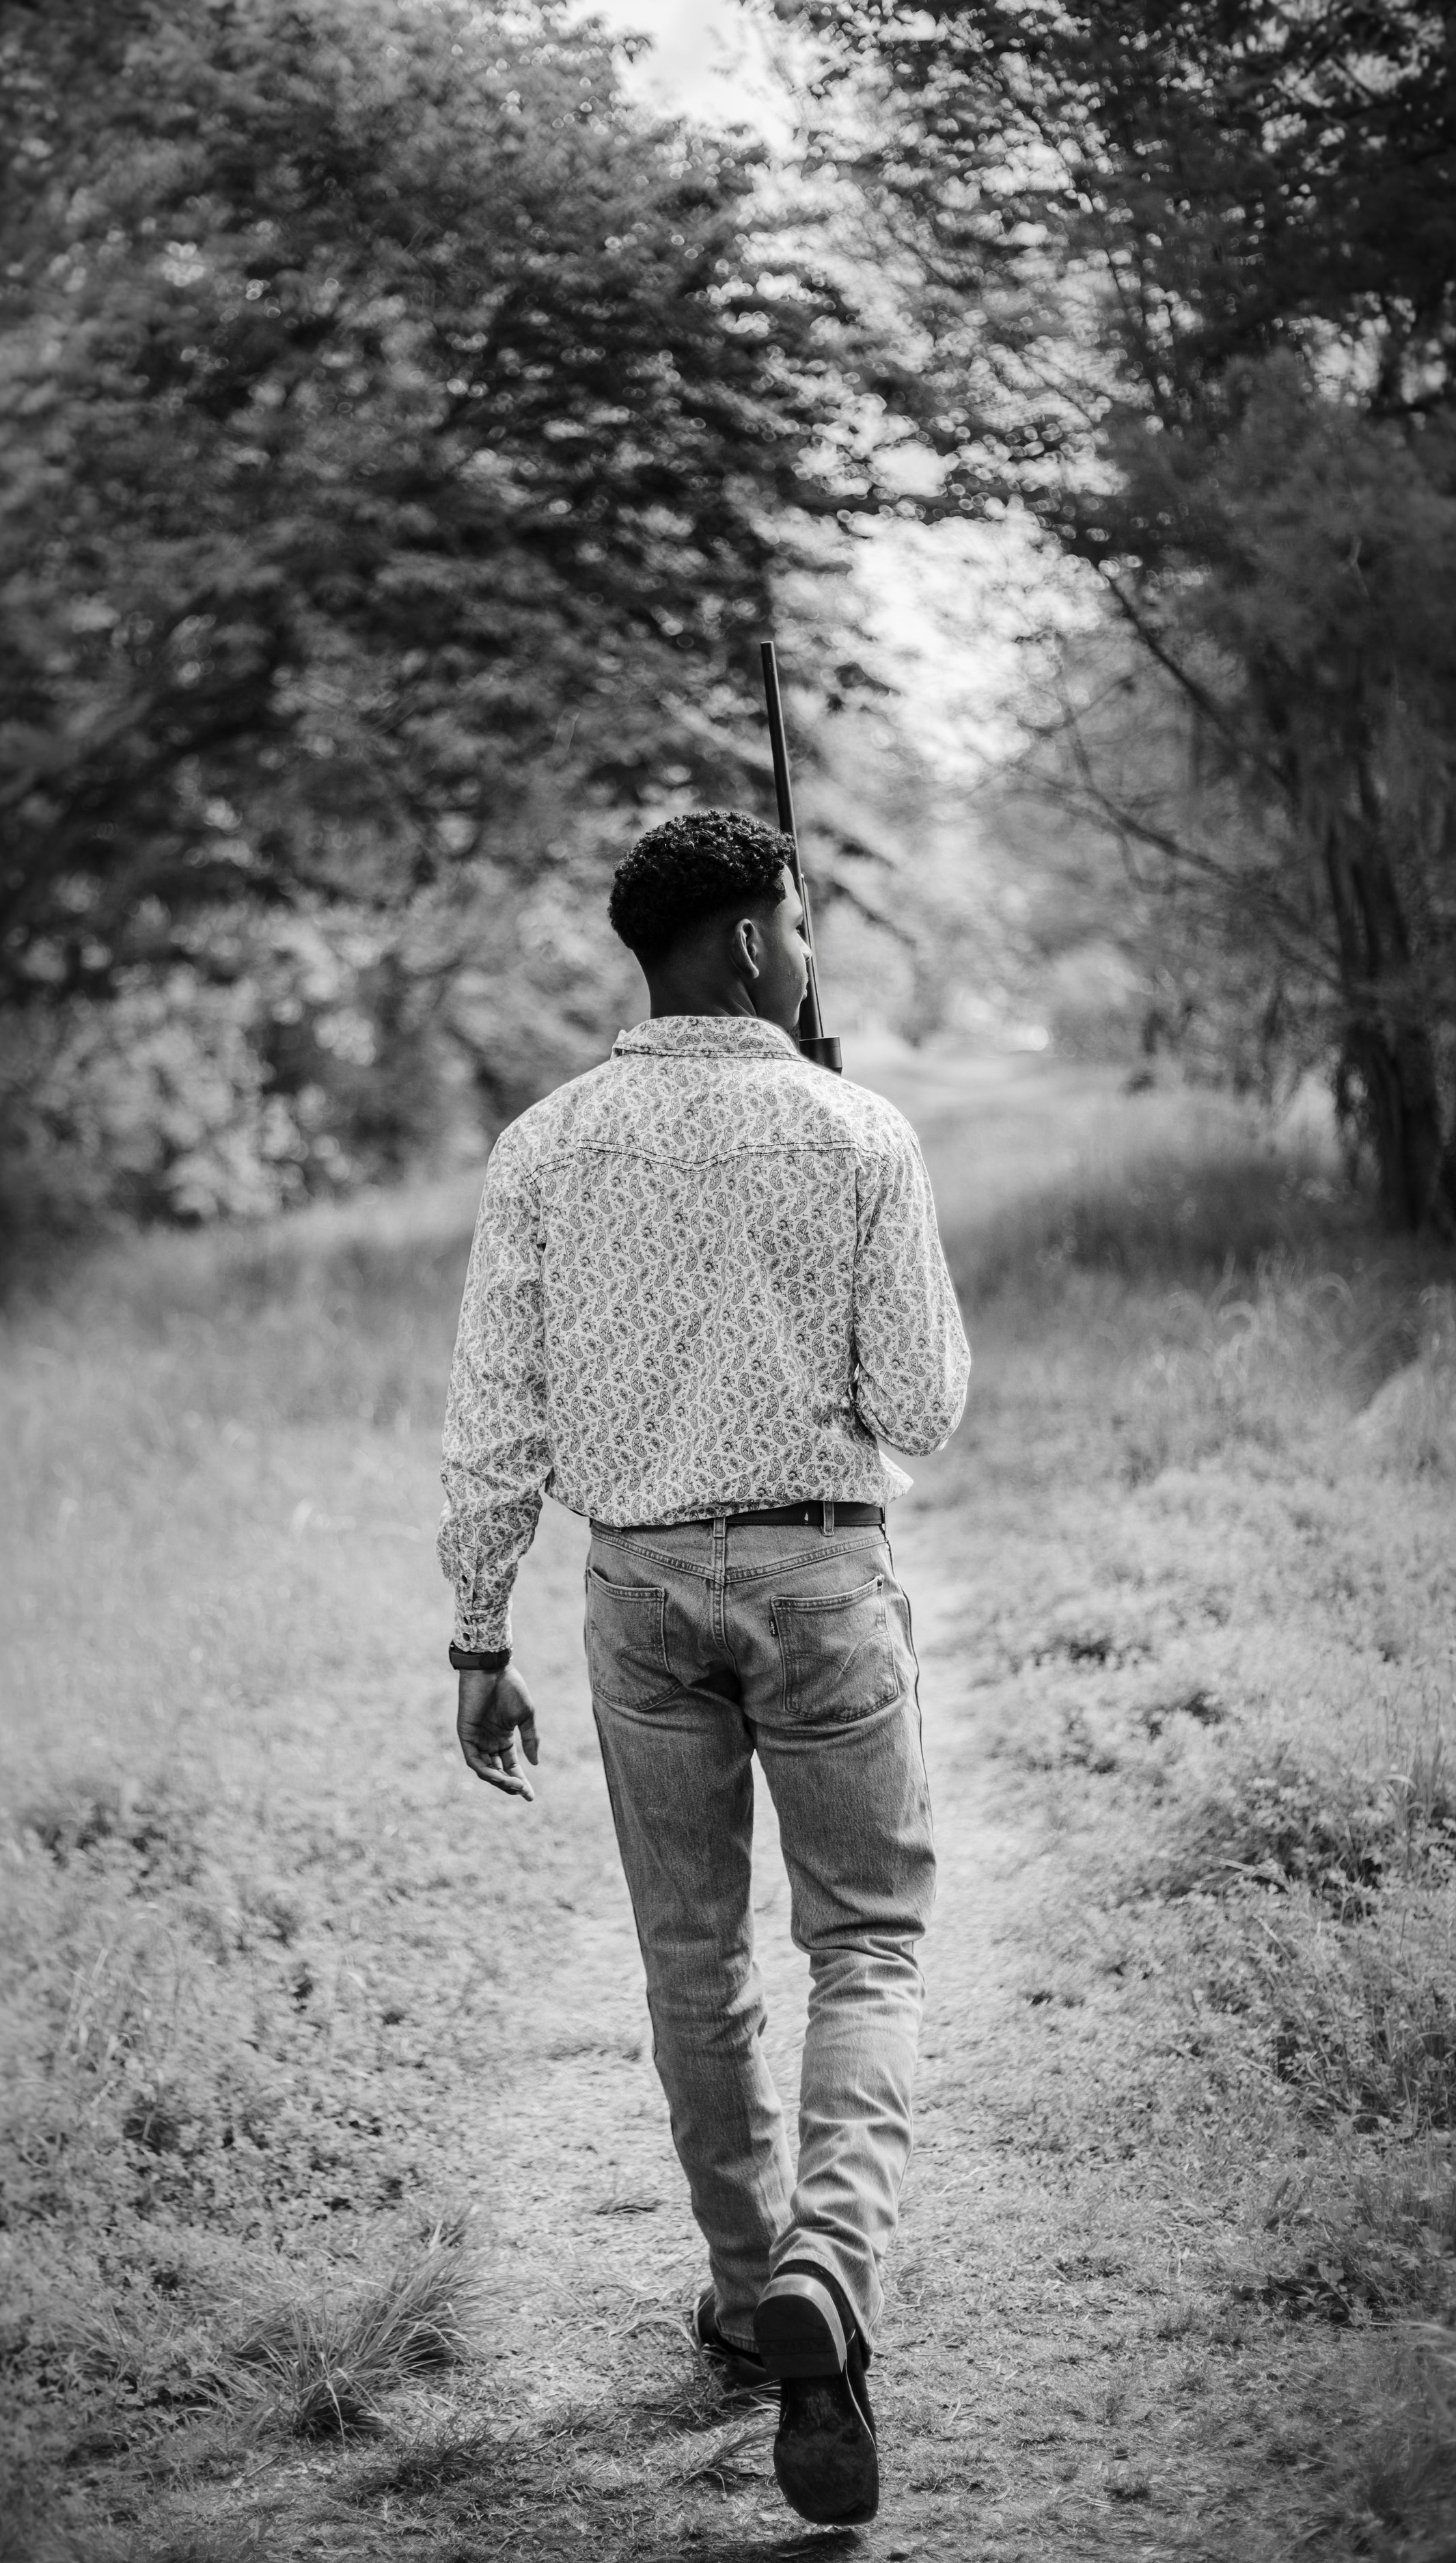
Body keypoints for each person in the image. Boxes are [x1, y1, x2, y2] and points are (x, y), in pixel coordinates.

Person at [437, 809, 969, 2527]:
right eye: (801, 925)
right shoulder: (854, 1129)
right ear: (750, 944)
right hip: (820, 1578)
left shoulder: (545, 1144)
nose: (811, 953)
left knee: (691, 1962)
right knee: (865, 1945)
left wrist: (475, 1634)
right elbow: (923, 1409)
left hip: (639, 1598)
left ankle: (753, 2303)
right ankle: (835, 2262)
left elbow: (494, 1424)